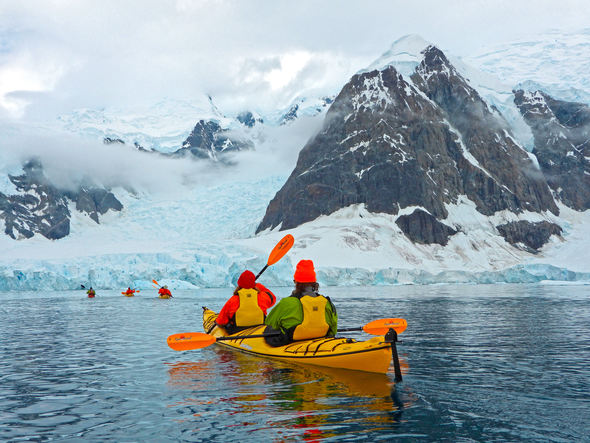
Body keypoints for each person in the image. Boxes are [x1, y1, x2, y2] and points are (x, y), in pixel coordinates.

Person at [263, 260, 337, 347]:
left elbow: (270, 322)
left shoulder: (287, 302)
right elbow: (333, 327)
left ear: (297, 283)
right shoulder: (326, 302)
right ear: (314, 284)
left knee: (269, 330)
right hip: (321, 337)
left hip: (292, 339)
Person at [216, 270, 276, 334]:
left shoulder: (233, 300)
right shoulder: (263, 297)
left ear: (239, 284)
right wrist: (258, 285)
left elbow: (221, 322)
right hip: (259, 328)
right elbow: (272, 298)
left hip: (237, 330)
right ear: (253, 284)